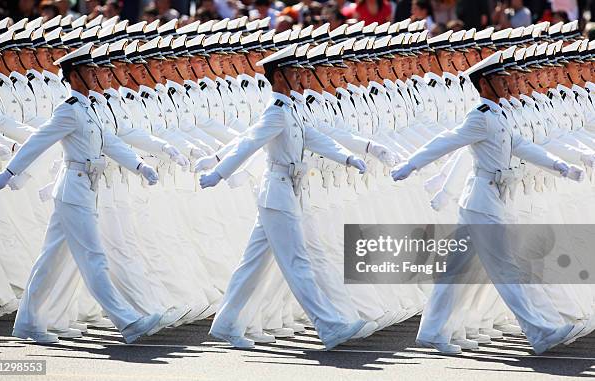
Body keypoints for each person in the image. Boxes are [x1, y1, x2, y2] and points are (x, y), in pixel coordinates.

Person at [391, 51, 587, 355]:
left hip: (487, 200)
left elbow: (521, 146)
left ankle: (431, 331)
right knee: (507, 267)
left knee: (455, 272)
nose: (509, 83)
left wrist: (560, 166)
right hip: (483, 201)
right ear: (485, 83)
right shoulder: (481, 116)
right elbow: (447, 140)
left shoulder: (498, 114)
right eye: (501, 79)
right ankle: (541, 331)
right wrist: (410, 165)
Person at [0, 42, 181, 344]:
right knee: (94, 257)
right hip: (74, 190)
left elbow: (109, 142)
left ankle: (27, 323)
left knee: (51, 261)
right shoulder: (69, 110)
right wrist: (9, 173)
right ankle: (128, 321)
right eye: (88, 70)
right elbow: (38, 141)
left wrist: (139, 165)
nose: (95, 74)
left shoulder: (89, 108)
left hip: (86, 189)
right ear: (74, 75)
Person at [199, 44, 376, 350]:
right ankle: (330, 326)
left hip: (285, 193)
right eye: (293, 71)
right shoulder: (276, 111)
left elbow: (313, 137)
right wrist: (219, 173)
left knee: (251, 264)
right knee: (297, 262)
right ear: (279, 76)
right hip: (278, 193)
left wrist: (347, 157)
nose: (299, 76)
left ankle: (227, 323)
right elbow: (249, 143)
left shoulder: (291, 108)